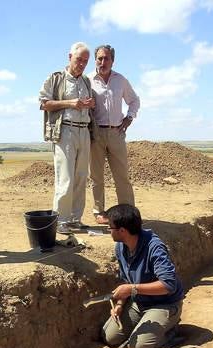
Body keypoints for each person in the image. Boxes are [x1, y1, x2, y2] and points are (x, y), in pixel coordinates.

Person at [102, 204, 184, 348]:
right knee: (110, 336)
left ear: (122, 231)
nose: (109, 231)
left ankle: (170, 332)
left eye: (110, 228)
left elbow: (168, 285)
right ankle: (143, 327)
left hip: (164, 304)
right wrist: (120, 304)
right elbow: (126, 281)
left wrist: (133, 289)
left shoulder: (154, 247)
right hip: (139, 303)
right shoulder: (121, 247)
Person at [39, 42, 96, 235]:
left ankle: (74, 219)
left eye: (85, 61)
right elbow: (44, 103)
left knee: (81, 177)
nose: (81, 64)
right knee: (66, 178)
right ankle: (61, 221)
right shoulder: (56, 78)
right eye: (79, 59)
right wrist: (70, 103)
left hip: (83, 131)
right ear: (69, 56)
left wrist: (89, 104)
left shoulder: (86, 81)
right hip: (65, 131)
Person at [88, 44, 140, 224]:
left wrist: (129, 118)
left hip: (116, 132)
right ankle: (99, 212)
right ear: (95, 60)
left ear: (113, 60)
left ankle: (128, 212)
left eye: (106, 58)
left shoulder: (121, 80)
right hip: (96, 134)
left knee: (122, 175)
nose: (103, 62)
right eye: (100, 58)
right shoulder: (88, 80)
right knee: (96, 176)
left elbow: (134, 100)